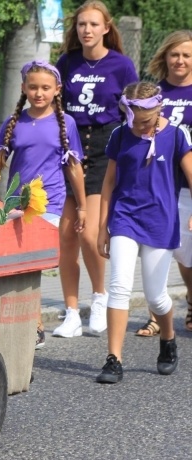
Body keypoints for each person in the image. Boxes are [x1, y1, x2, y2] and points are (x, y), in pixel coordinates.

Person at [95, 81, 192, 384]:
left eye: (145, 120)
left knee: (156, 295)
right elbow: (109, 182)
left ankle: (168, 337)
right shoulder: (121, 134)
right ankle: (114, 359)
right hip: (125, 217)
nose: (139, 125)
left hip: (161, 222)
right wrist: (103, 227)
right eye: (134, 117)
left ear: (159, 109)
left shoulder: (177, 135)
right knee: (120, 285)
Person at [0, 60, 87, 349]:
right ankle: (33, 324)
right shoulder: (14, 122)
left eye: (45, 88)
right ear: (23, 89)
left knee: (34, 263)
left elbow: (74, 167)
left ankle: (35, 324)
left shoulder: (65, 123)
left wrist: (82, 206)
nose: (39, 93)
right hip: (16, 203)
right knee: (20, 266)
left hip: (50, 203)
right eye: (33, 87)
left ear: (57, 90)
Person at [53, 0, 138, 338]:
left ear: (106, 28)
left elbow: (132, 111)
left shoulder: (121, 65)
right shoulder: (67, 63)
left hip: (105, 145)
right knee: (65, 235)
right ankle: (72, 311)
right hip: (71, 145)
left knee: (90, 234)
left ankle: (99, 298)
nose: (86, 30)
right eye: (81, 25)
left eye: (93, 24)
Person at [138, 30, 192, 337]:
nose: (180, 60)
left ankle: (191, 297)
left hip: (187, 183)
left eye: (186, 55)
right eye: (175, 54)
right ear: (165, 57)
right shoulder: (155, 93)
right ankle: (156, 314)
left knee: (186, 253)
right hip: (156, 181)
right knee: (153, 247)